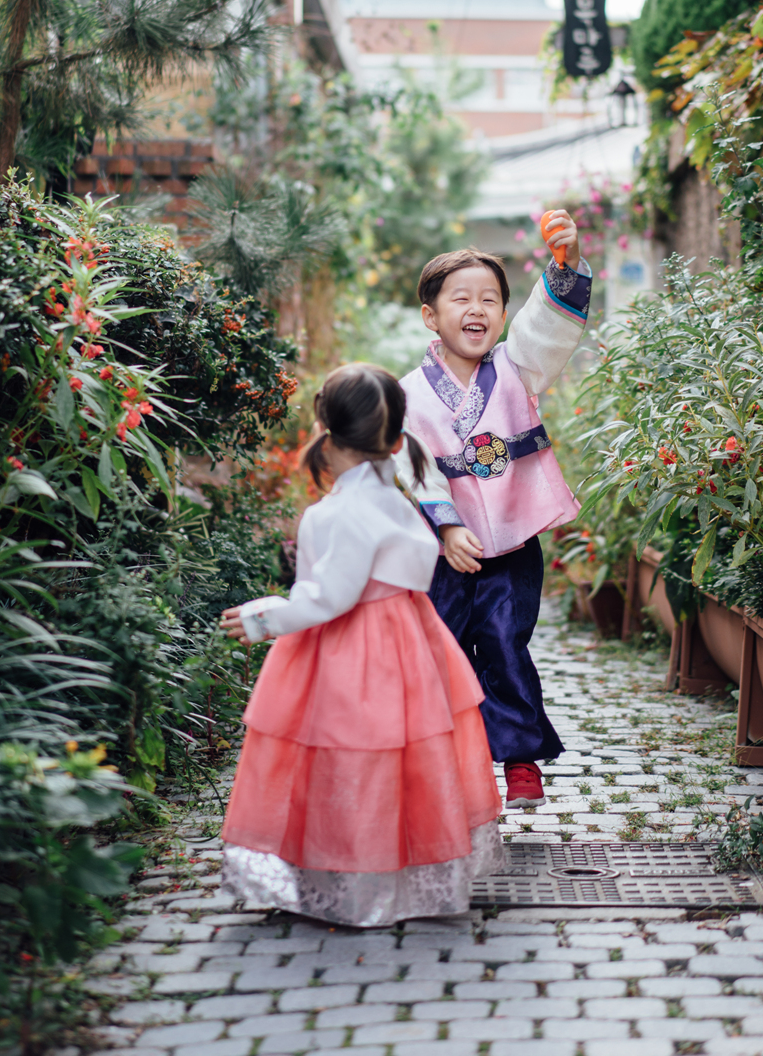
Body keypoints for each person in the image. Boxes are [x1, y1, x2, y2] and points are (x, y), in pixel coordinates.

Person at [218, 363, 504, 927]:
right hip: (410, 643)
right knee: (404, 760)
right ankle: (398, 872)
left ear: (325, 432)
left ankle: (348, 879)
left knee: (345, 758)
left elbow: (330, 597)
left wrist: (263, 617)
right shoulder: (399, 502)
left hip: (350, 651)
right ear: (396, 441)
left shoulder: (338, 512)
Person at [395, 210, 591, 811]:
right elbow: (412, 466)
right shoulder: (406, 394)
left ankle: (520, 757)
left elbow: (544, 326)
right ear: (431, 316)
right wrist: (448, 526)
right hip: (443, 552)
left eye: (490, 299)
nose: (477, 309)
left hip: (512, 542)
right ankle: (449, 760)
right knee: (445, 651)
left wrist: (564, 267)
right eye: (461, 298)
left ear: (504, 315)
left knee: (506, 642)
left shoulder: (516, 366)